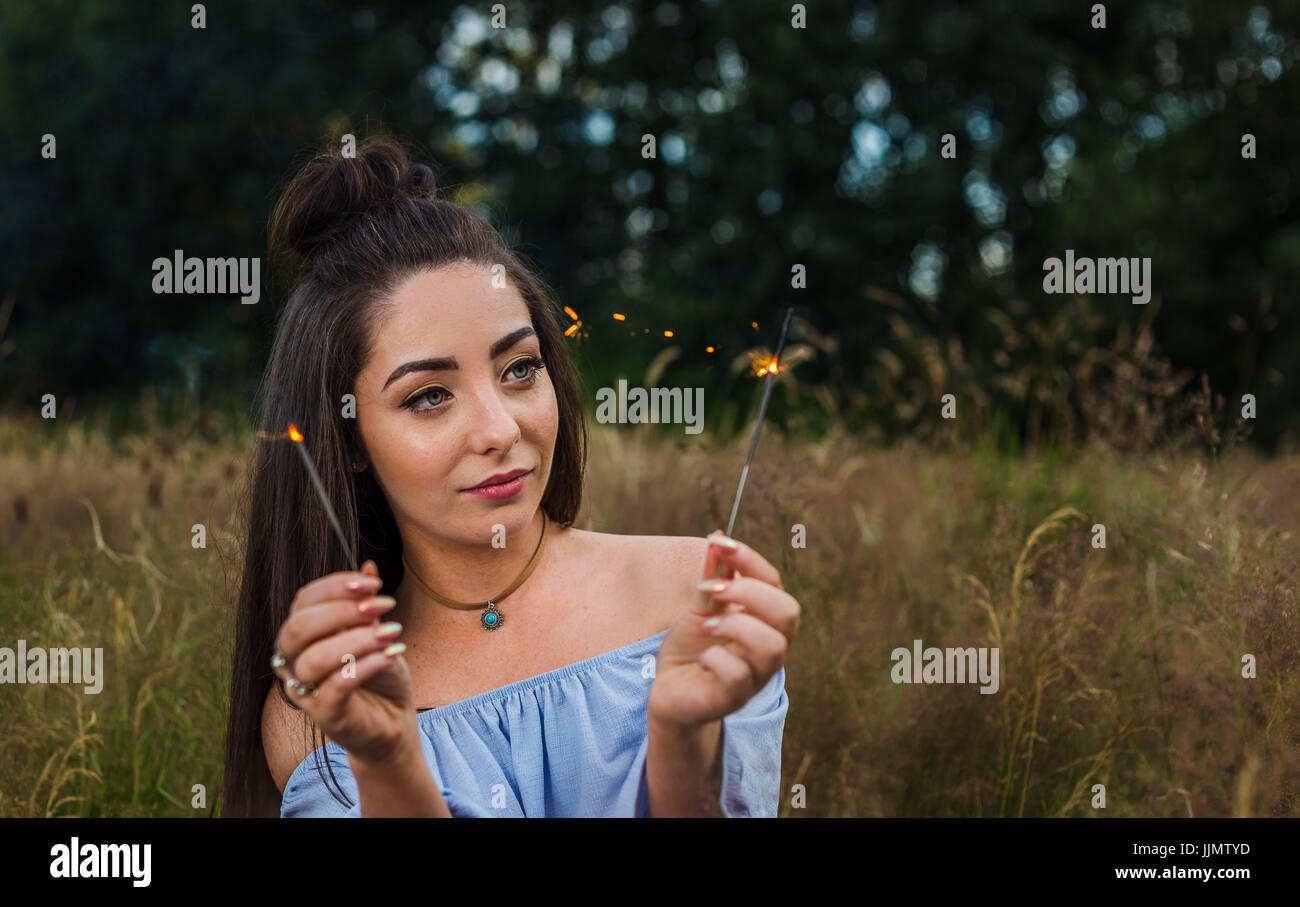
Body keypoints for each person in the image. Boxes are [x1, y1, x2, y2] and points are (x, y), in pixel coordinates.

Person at [220, 137, 800, 817]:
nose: (499, 430)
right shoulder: (321, 705)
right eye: (429, 395)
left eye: (519, 369)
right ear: (347, 438)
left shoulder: (697, 598)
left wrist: (679, 743)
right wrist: (390, 761)